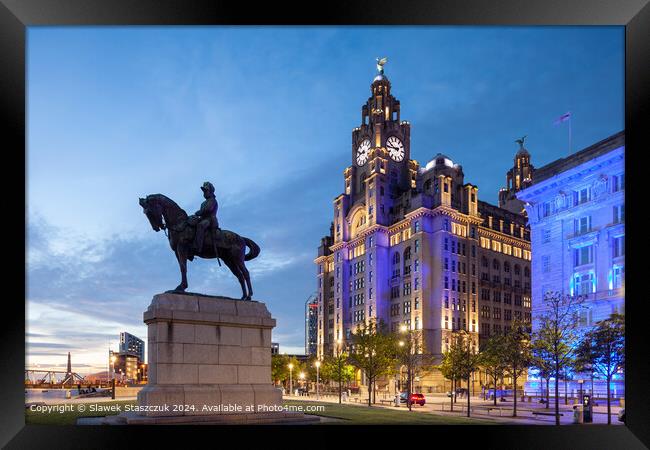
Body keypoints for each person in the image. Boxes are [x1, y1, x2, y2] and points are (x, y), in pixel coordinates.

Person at [192, 181, 220, 253]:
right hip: (203, 219)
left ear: (210, 191)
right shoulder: (203, 203)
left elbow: (208, 209)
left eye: (206, 191)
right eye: (204, 191)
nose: (204, 193)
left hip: (210, 220)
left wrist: (199, 212)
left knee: (201, 226)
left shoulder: (212, 200)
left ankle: (197, 247)